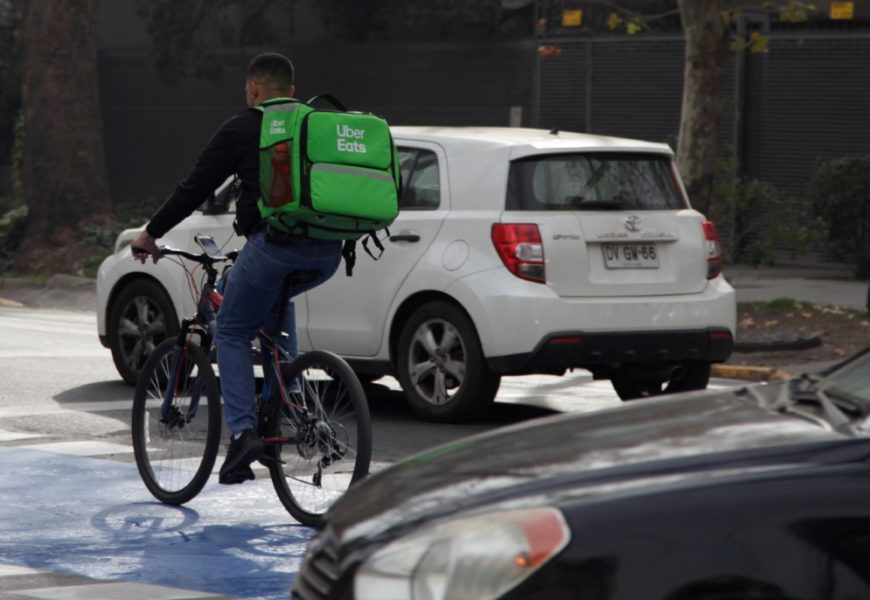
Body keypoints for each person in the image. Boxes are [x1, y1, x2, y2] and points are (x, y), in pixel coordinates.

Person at [131, 52, 342, 485]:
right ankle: (296, 406)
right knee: (272, 309)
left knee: (229, 328)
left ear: (253, 90)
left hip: (275, 246)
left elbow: (195, 187)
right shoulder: (315, 124)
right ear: (293, 92)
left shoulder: (244, 126)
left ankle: (244, 433)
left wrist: (151, 233)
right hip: (329, 252)